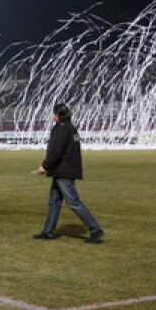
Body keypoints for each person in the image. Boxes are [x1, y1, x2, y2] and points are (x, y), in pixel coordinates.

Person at [32, 103, 105, 244]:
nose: (53, 116)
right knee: (54, 202)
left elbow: (57, 152)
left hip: (63, 171)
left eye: (54, 113)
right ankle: (48, 232)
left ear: (59, 115)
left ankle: (95, 229)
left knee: (73, 202)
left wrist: (45, 166)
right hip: (65, 170)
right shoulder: (71, 128)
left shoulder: (60, 129)